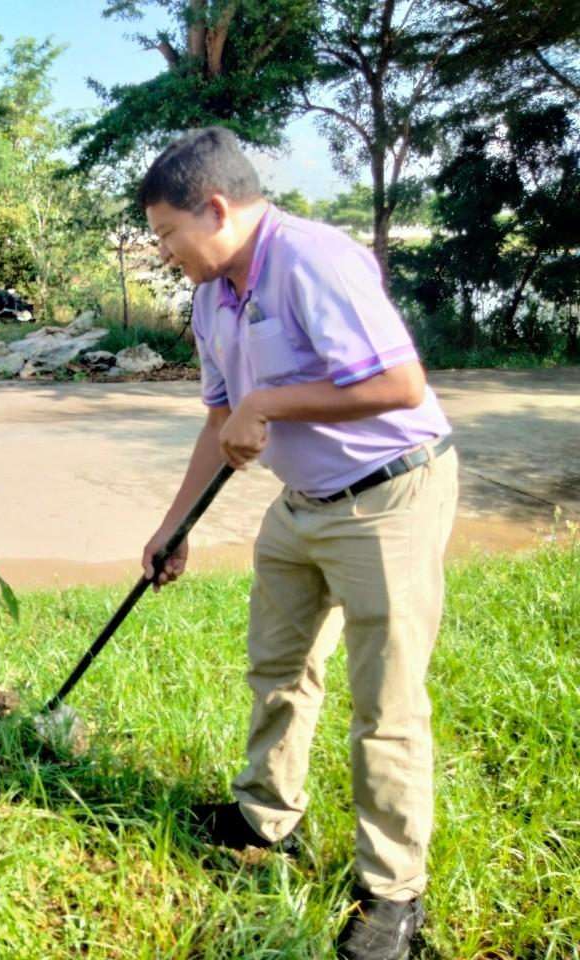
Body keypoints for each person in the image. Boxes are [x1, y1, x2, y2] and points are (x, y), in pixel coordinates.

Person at [136, 127, 457, 960]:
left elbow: (400, 383)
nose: (165, 250)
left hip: (388, 494)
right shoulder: (212, 297)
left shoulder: (314, 259)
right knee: (277, 666)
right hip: (301, 503)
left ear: (215, 207)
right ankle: (262, 815)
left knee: (384, 705)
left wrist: (272, 402)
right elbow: (221, 420)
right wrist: (175, 526)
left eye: (169, 232)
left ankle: (393, 895)